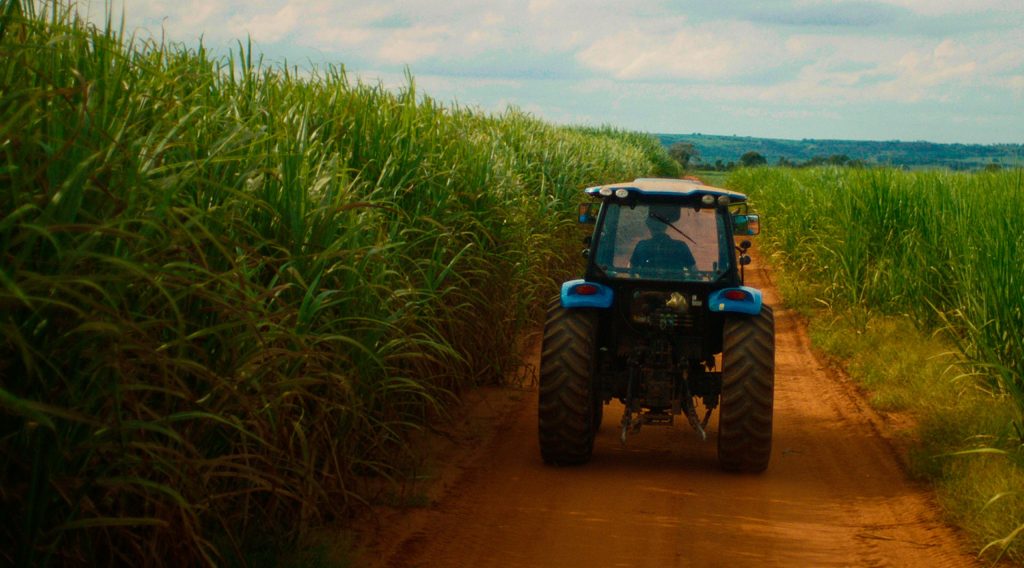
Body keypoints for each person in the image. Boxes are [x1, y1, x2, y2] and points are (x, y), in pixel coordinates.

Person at [629, 205, 696, 274]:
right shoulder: (681, 246)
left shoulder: (642, 246)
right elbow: (694, 272)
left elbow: (632, 270)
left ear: (649, 227)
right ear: (665, 227)